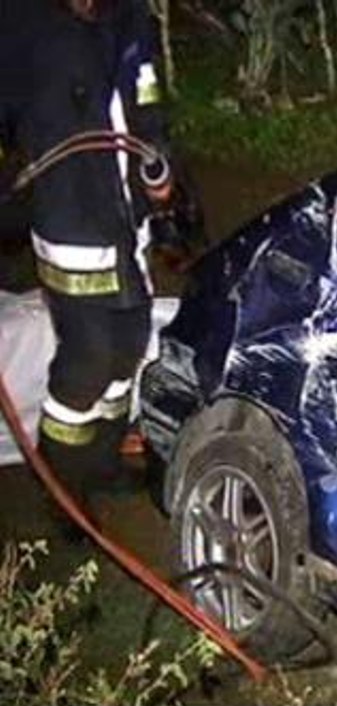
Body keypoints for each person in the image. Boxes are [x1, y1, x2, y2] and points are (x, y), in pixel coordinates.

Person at [0, 0, 175, 529]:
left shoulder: (129, 15)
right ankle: (64, 489)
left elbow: (145, 90)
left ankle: (102, 461)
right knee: (88, 359)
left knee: (129, 343)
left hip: (126, 214)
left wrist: (159, 163)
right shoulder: (20, 21)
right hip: (66, 211)